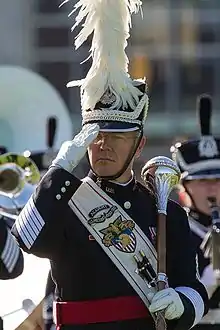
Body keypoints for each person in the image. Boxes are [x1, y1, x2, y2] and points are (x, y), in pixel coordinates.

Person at [12, 0, 208, 329]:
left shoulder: (163, 211)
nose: (103, 144)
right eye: (95, 136)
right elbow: (26, 240)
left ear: (139, 144)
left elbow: (193, 287)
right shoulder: (65, 201)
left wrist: (182, 304)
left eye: (117, 137)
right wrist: (60, 170)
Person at [171, 95, 220, 315]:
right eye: (202, 181)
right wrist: (206, 283)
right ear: (185, 188)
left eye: (218, 180)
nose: (212, 189)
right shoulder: (172, 231)